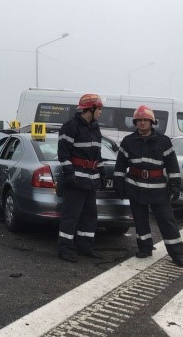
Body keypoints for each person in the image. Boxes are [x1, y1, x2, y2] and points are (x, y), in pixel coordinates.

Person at [113, 105, 183, 267]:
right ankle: (145, 248)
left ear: (152, 122)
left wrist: (175, 184)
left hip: (158, 190)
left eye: (145, 120)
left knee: (167, 222)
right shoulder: (128, 141)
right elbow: (120, 166)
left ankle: (177, 254)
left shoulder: (163, 141)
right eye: (139, 120)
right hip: (135, 187)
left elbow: (172, 165)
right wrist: (119, 185)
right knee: (140, 221)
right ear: (135, 122)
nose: (142, 123)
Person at [57, 93, 106, 263]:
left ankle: (85, 247)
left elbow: (97, 155)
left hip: (91, 181)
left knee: (90, 215)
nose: (100, 112)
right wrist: (69, 174)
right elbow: (63, 153)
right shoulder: (70, 127)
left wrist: (102, 173)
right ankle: (64, 249)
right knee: (71, 216)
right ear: (90, 109)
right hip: (76, 180)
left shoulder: (95, 128)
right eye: (99, 109)